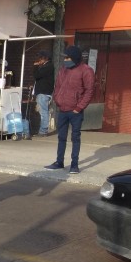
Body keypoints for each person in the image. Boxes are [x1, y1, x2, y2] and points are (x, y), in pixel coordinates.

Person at [44, 45, 95, 174]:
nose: (65, 60)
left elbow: (89, 91)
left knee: (75, 138)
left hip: (75, 111)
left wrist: (79, 108)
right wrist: (57, 99)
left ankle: (74, 165)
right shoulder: (63, 69)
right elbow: (58, 86)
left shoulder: (86, 70)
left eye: (67, 57)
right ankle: (59, 162)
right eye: (64, 57)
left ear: (74, 57)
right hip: (62, 109)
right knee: (61, 137)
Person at [32, 51, 54, 136]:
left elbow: (36, 75)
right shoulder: (47, 66)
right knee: (42, 111)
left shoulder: (48, 66)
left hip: (43, 92)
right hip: (43, 92)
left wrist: (35, 66)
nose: (39, 60)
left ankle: (43, 130)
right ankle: (42, 130)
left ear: (45, 58)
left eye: (41, 58)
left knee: (43, 112)